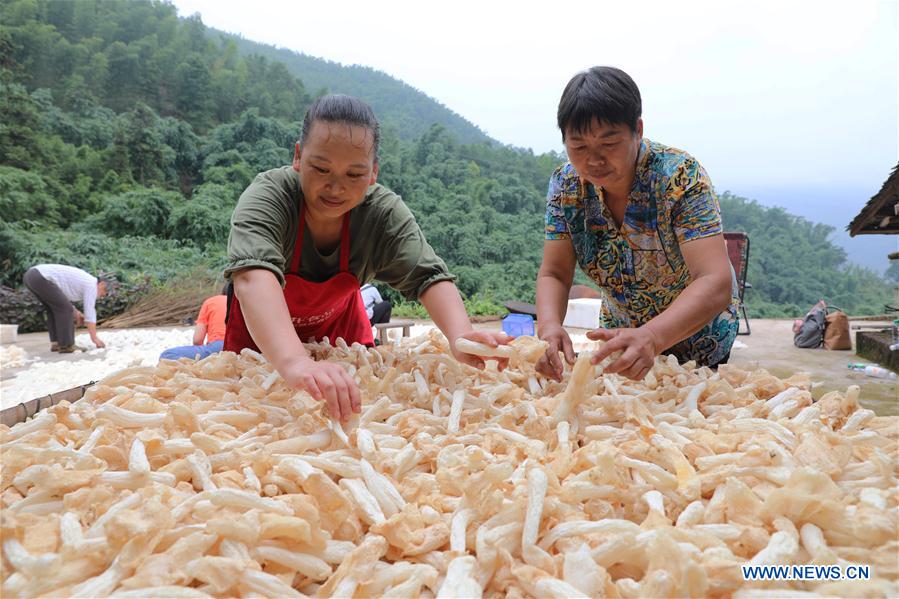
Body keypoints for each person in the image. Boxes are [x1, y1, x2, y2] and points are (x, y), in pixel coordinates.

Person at [225, 94, 509, 420]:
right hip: (260, 353)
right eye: (321, 168)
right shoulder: (269, 197)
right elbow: (251, 277)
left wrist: (461, 337)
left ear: (373, 173)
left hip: (344, 346)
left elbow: (428, 276)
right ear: (299, 156)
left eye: (354, 174)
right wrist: (294, 362)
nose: (336, 187)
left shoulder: (382, 213)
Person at [537, 66, 739, 382]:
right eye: (578, 147)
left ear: (638, 130)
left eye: (609, 143)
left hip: (699, 342)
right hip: (620, 345)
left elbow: (715, 280)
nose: (594, 160)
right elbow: (555, 272)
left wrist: (653, 336)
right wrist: (549, 326)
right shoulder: (566, 185)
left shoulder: (679, 177)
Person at [23, 264, 108, 352]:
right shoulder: (92, 285)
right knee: (66, 310)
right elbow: (89, 312)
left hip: (30, 276)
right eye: (105, 292)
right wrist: (94, 338)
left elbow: (60, 299)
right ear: (101, 284)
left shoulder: (86, 281)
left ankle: (56, 343)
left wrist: (76, 312)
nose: (103, 296)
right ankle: (67, 345)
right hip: (40, 277)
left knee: (53, 309)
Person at [159, 287, 228, 361]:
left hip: (218, 348)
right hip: (240, 349)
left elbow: (197, 340)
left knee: (167, 355)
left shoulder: (211, 302)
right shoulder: (240, 302)